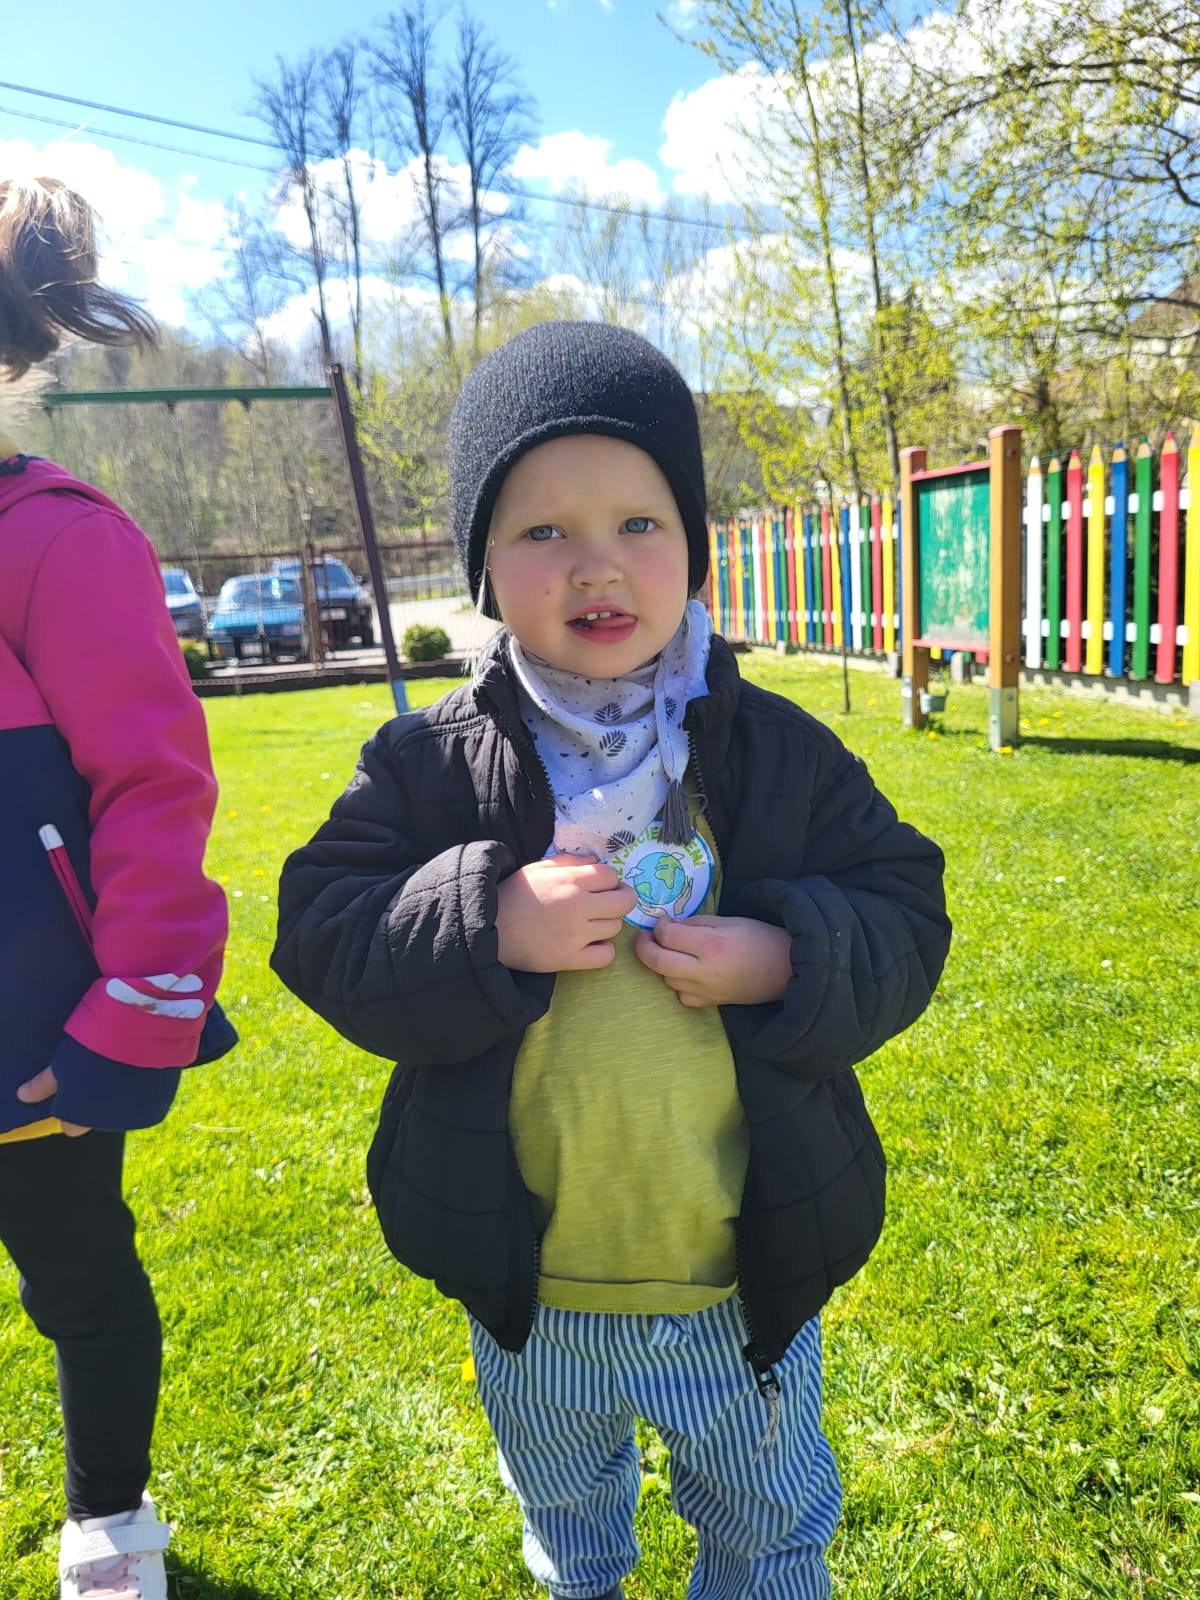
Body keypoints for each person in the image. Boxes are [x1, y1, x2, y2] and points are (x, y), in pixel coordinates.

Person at [272, 321, 951, 1600]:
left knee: (766, 1531)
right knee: (572, 1532)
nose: (597, 563)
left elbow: (906, 907)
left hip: (737, 1280)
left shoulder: (776, 748)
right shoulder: (431, 763)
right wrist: (486, 920)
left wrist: (785, 956)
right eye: (542, 530)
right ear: (483, 567)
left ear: (693, 545)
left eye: (641, 521)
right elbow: (319, 927)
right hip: (531, 1286)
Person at [0, 176, 234, 1600]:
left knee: (80, 1281)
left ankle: (107, 1525)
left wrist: (128, 1019)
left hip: (35, 1042)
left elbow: (155, 790)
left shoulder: (57, 540)